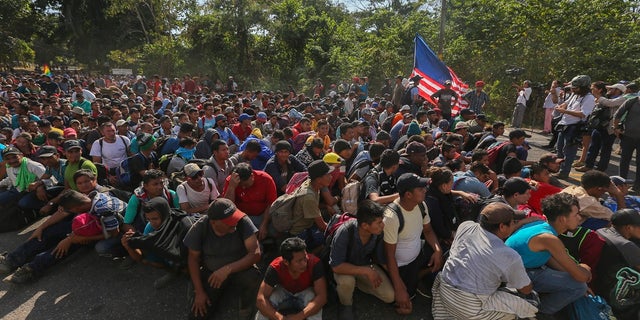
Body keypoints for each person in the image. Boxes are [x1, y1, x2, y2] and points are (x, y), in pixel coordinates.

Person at [432, 203, 539, 320]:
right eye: (513, 222)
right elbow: (525, 289)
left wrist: (521, 223)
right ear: (502, 227)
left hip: (445, 292)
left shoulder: (466, 226)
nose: (515, 224)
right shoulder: (508, 256)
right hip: (468, 306)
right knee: (530, 302)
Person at [0, 189, 124, 283]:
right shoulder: (88, 197)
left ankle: (32, 269)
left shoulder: (103, 208)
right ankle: (12, 260)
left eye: (72, 211)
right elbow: (63, 214)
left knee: (64, 246)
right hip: (91, 225)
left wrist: (76, 239)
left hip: (108, 231)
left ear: (77, 208)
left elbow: (114, 233)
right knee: (50, 232)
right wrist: (41, 228)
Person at [506, 193, 591, 317]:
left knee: (573, 278)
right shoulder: (549, 238)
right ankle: (539, 312)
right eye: (576, 214)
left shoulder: (540, 224)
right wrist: (585, 270)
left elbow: (549, 258)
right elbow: (582, 278)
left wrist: (572, 273)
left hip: (522, 268)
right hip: (519, 275)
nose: (579, 218)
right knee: (579, 287)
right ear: (562, 219)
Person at [183, 198, 262, 320]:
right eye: (229, 221)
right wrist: (199, 291)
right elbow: (193, 259)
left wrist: (227, 269)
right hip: (212, 273)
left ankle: (246, 306)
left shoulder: (242, 221)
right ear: (214, 222)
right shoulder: (200, 228)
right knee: (197, 314)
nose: (235, 223)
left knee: (252, 276)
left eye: (235, 218)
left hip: (238, 268)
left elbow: (255, 253)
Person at [383, 173, 443, 315]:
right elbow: (389, 256)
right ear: (408, 194)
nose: (425, 190)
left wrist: (438, 250)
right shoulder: (392, 217)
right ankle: (415, 277)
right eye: (420, 189)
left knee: (445, 252)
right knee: (404, 304)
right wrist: (399, 288)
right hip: (400, 266)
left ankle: (419, 275)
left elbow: (428, 231)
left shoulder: (421, 205)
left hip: (417, 253)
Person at [330, 200, 394, 319]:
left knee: (390, 296)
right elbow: (336, 266)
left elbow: (381, 260)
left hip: (364, 266)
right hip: (344, 269)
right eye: (379, 222)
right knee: (346, 281)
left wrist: (397, 281)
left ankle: (356, 285)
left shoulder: (377, 233)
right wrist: (367, 271)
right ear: (365, 225)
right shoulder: (345, 232)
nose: (383, 225)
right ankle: (346, 304)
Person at [255, 237, 326, 320]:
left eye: (305, 258)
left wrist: (297, 317)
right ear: (286, 262)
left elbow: (322, 297)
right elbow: (261, 299)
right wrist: (280, 318)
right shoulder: (276, 267)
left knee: (315, 305)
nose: (304, 263)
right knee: (265, 307)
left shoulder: (315, 264)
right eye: (299, 261)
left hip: (306, 292)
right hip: (283, 291)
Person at [595, 209, 640, 319]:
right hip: (615, 290)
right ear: (628, 228)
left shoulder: (602, 230)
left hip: (600, 279)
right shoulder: (626, 245)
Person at [222, 162, 277, 241]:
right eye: (241, 185)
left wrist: (264, 224)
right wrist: (232, 187)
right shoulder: (231, 181)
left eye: (246, 185)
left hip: (263, 216)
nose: (243, 188)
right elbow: (227, 206)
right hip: (241, 218)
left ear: (252, 176)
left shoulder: (266, 179)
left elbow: (271, 204)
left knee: (275, 229)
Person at [554, 75, 595, 179]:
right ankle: (557, 169)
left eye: (575, 88)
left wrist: (564, 111)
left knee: (569, 151)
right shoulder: (575, 94)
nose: (573, 89)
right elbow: (566, 103)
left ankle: (564, 172)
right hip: (564, 124)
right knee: (559, 149)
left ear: (584, 87)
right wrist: (561, 107)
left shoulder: (589, 98)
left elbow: (583, 114)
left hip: (574, 127)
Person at [612, 90, 640, 193]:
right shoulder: (631, 101)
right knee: (624, 160)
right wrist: (615, 128)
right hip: (627, 136)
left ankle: (637, 186)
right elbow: (617, 114)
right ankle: (620, 183)